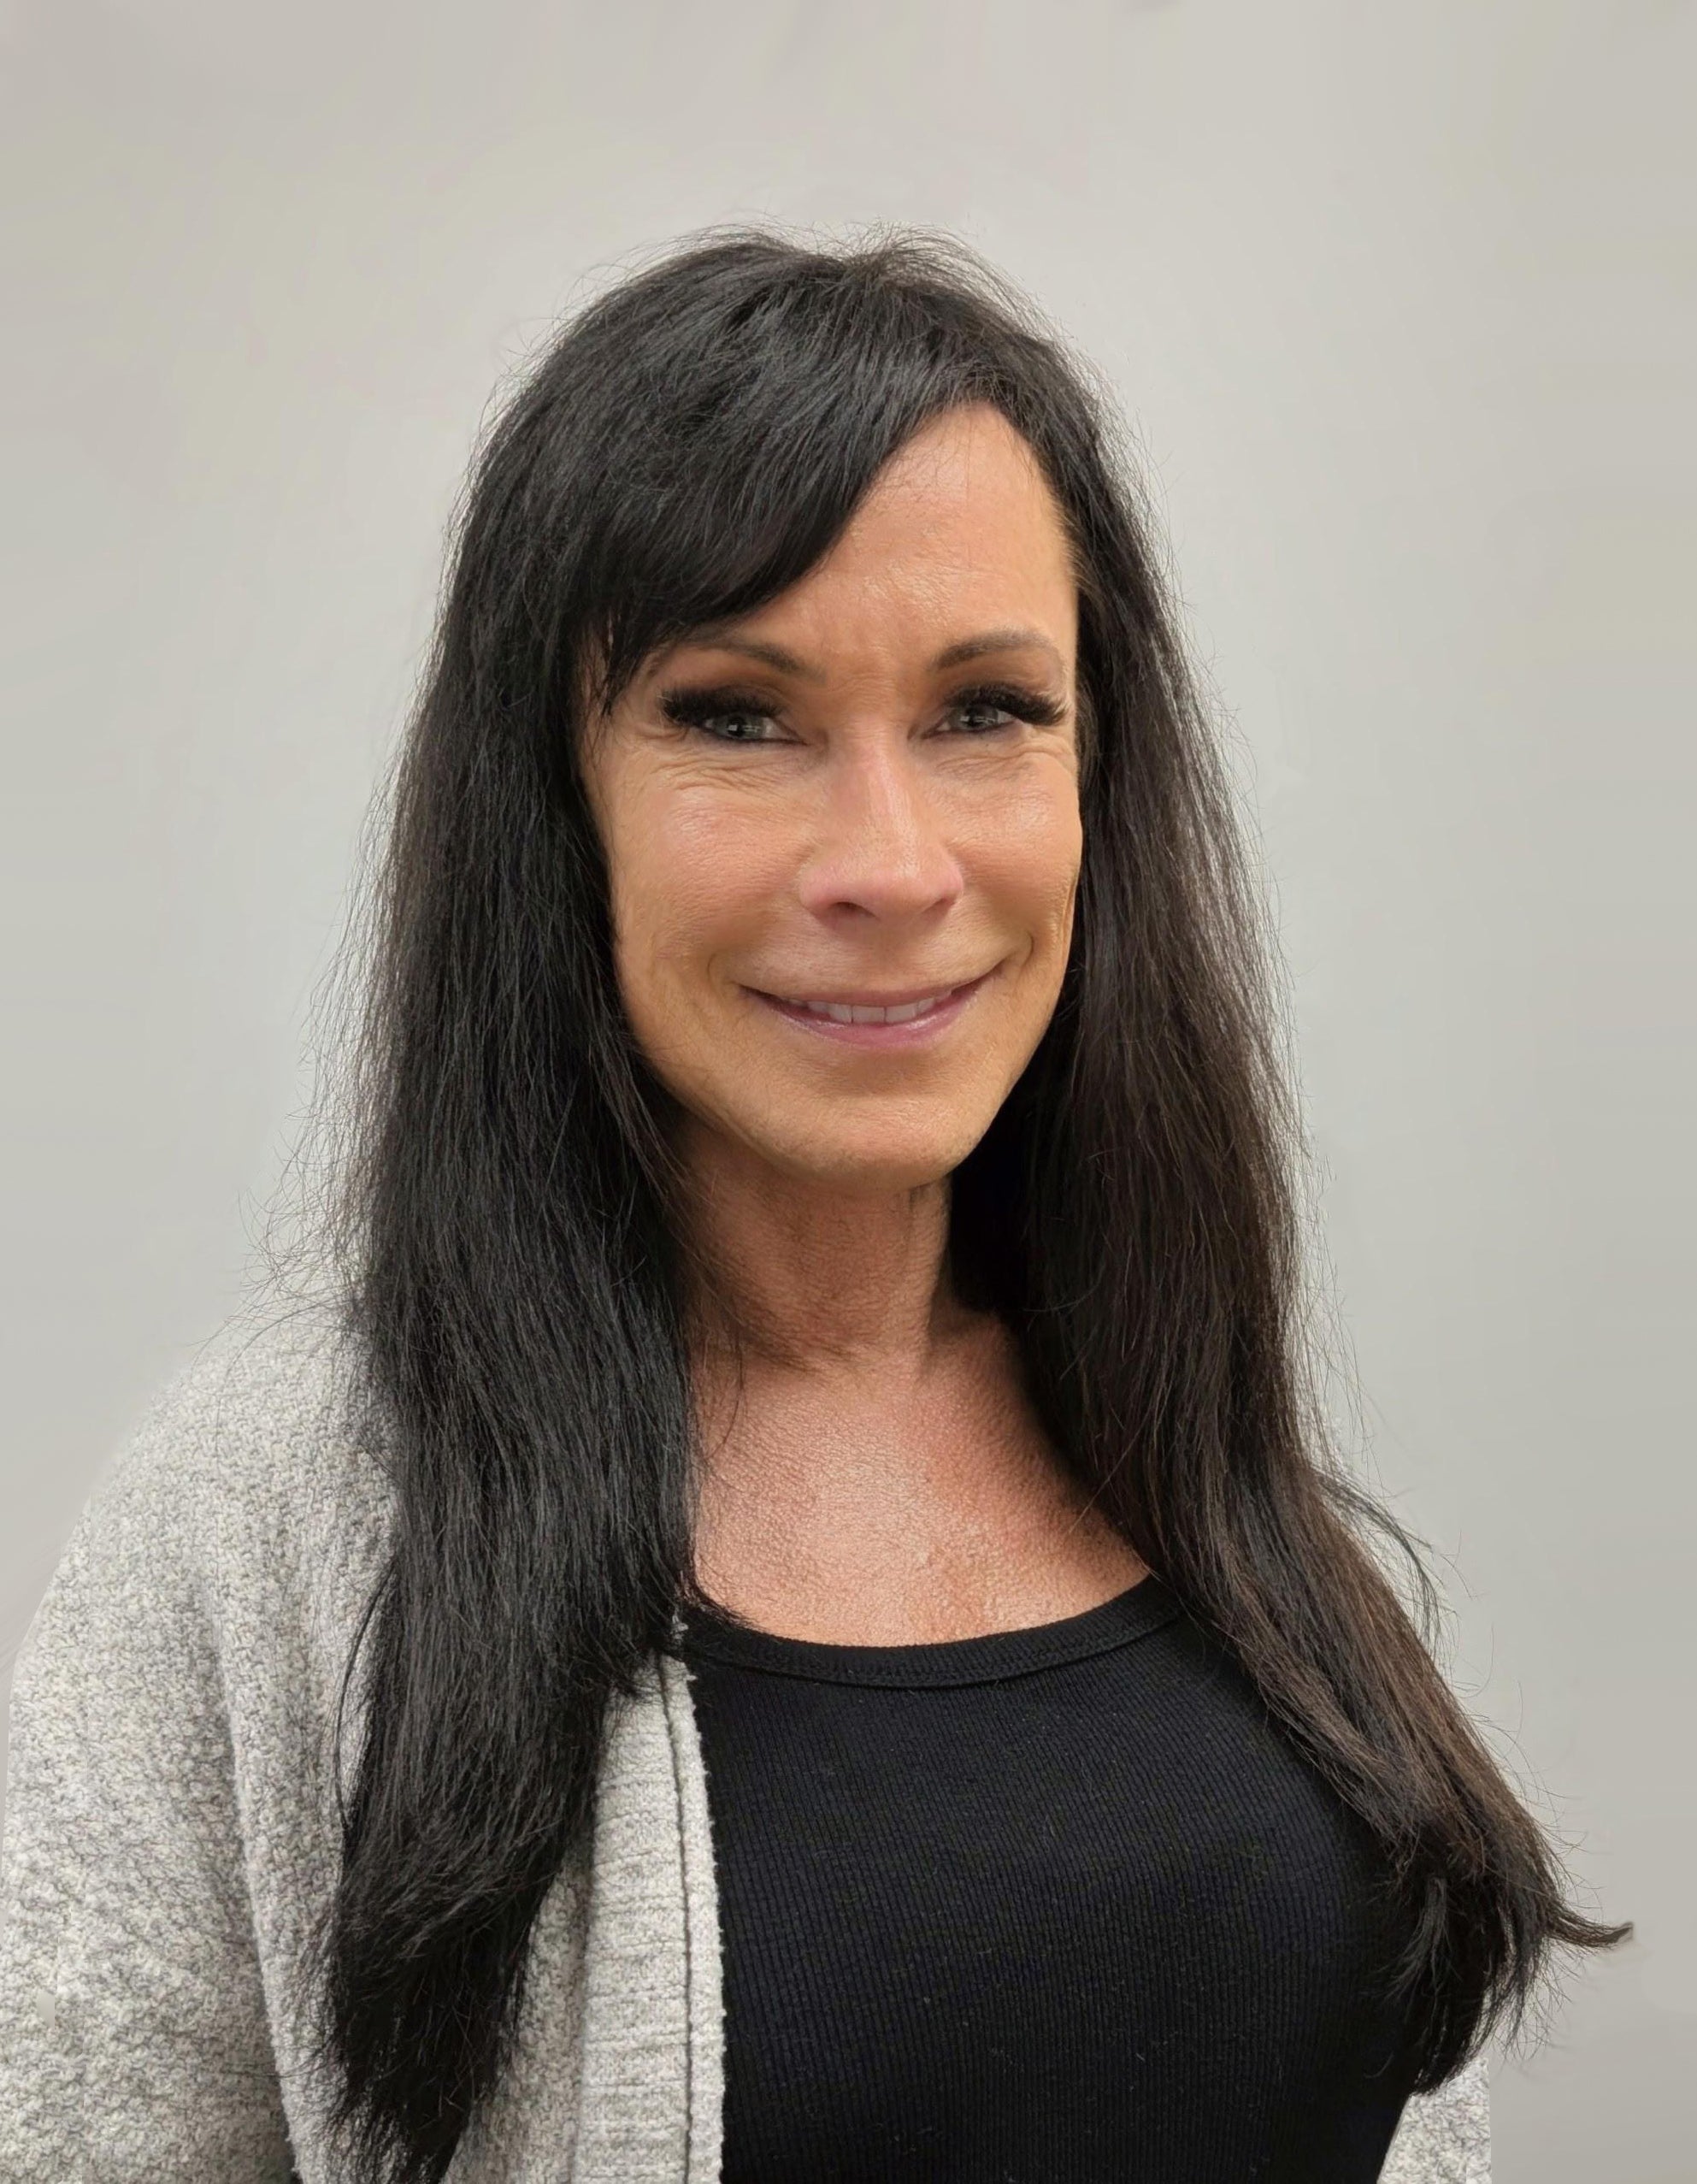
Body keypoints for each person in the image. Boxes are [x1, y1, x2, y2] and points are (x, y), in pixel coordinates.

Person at [0, 227, 1623, 2183]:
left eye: (986, 709)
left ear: (1100, 776)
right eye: (737, 716)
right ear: (555, 800)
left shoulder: (1197, 1446)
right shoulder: (267, 1520)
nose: (889, 857)